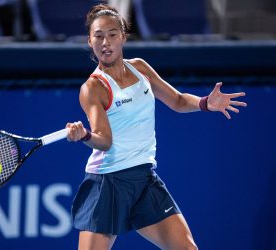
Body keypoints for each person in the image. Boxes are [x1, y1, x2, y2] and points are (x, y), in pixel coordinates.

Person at [66, 4, 247, 250]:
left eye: (112, 34)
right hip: (108, 184)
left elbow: (178, 101)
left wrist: (205, 103)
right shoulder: (93, 88)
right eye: (98, 36)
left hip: (144, 180)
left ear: (123, 37)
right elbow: (104, 140)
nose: (105, 42)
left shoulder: (140, 68)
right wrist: (85, 135)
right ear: (89, 41)